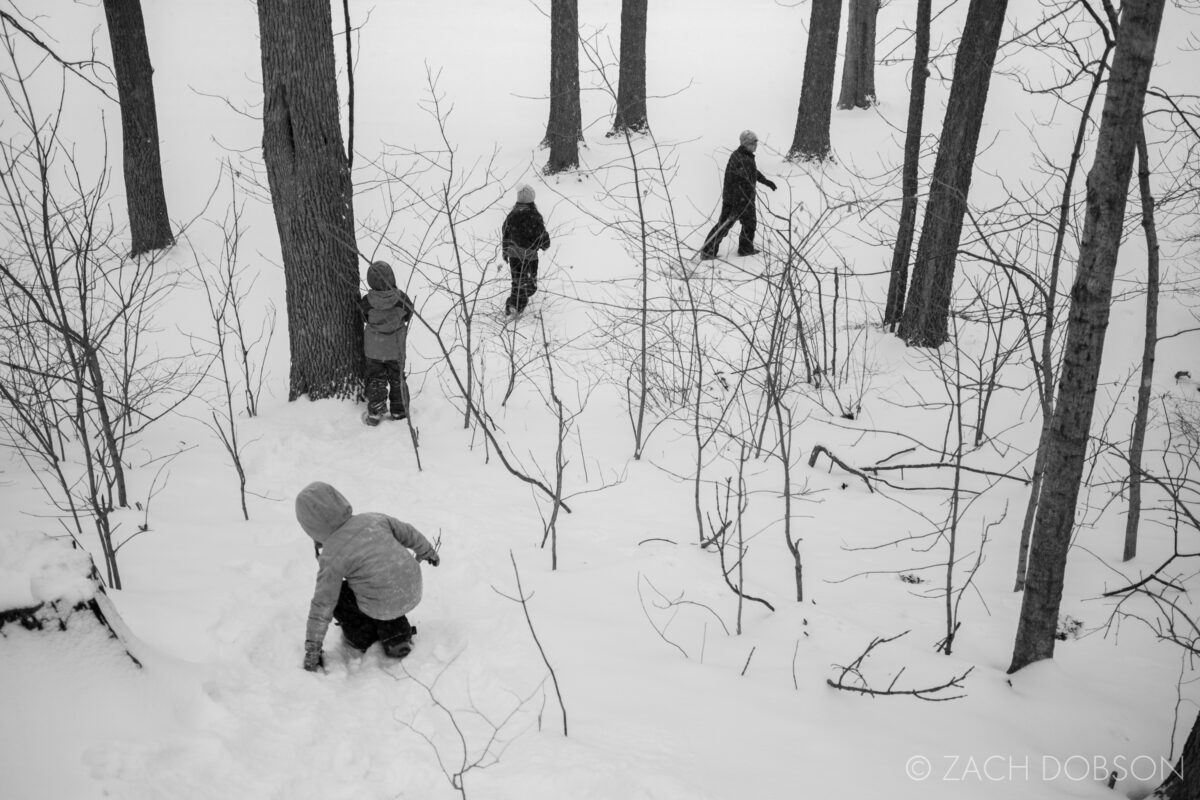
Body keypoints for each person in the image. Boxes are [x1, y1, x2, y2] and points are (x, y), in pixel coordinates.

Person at [296, 481, 440, 672]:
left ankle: (365, 637)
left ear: (310, 525)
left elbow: (323, 603)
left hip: (382, 602)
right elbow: (409, 533)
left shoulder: (332, 554)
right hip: (411, 588)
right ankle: (397, 634)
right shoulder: (373, 519)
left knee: (338, 596)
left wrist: (313, 648)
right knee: (379, 584)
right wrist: (427, 551)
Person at [699, 130, 777, 260]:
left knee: (748, 223)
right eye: (753, 143)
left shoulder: (742, 156)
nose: (756, 145)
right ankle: (708, 251)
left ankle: (745, 248)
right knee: (725, 225)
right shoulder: (743, 158)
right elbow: (737, 184)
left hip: (742, 198)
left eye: (756, 143)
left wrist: (766, 181)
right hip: (738, 199)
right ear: (746, 144)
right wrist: (736, 205)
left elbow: (753, 171)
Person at [360, 260, 413, 425]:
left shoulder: (367, 301)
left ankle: (376, 411)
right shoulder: (400, 299)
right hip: (395, 348)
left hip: (374, 349)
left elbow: (364, 317)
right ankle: (399, 410)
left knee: (376, 379)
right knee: (397, 379)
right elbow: (408, 314)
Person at [501, 184, 551, 315]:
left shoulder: (512, 215)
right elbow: (542, 237)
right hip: (528, 257)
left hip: (515, 256)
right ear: (532, 200)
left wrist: (505, 251)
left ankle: (513, 305)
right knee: (529, 286)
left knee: (518, 282)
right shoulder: (534, 217)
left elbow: (505, 234)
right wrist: (545, 243)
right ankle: (514, 306)